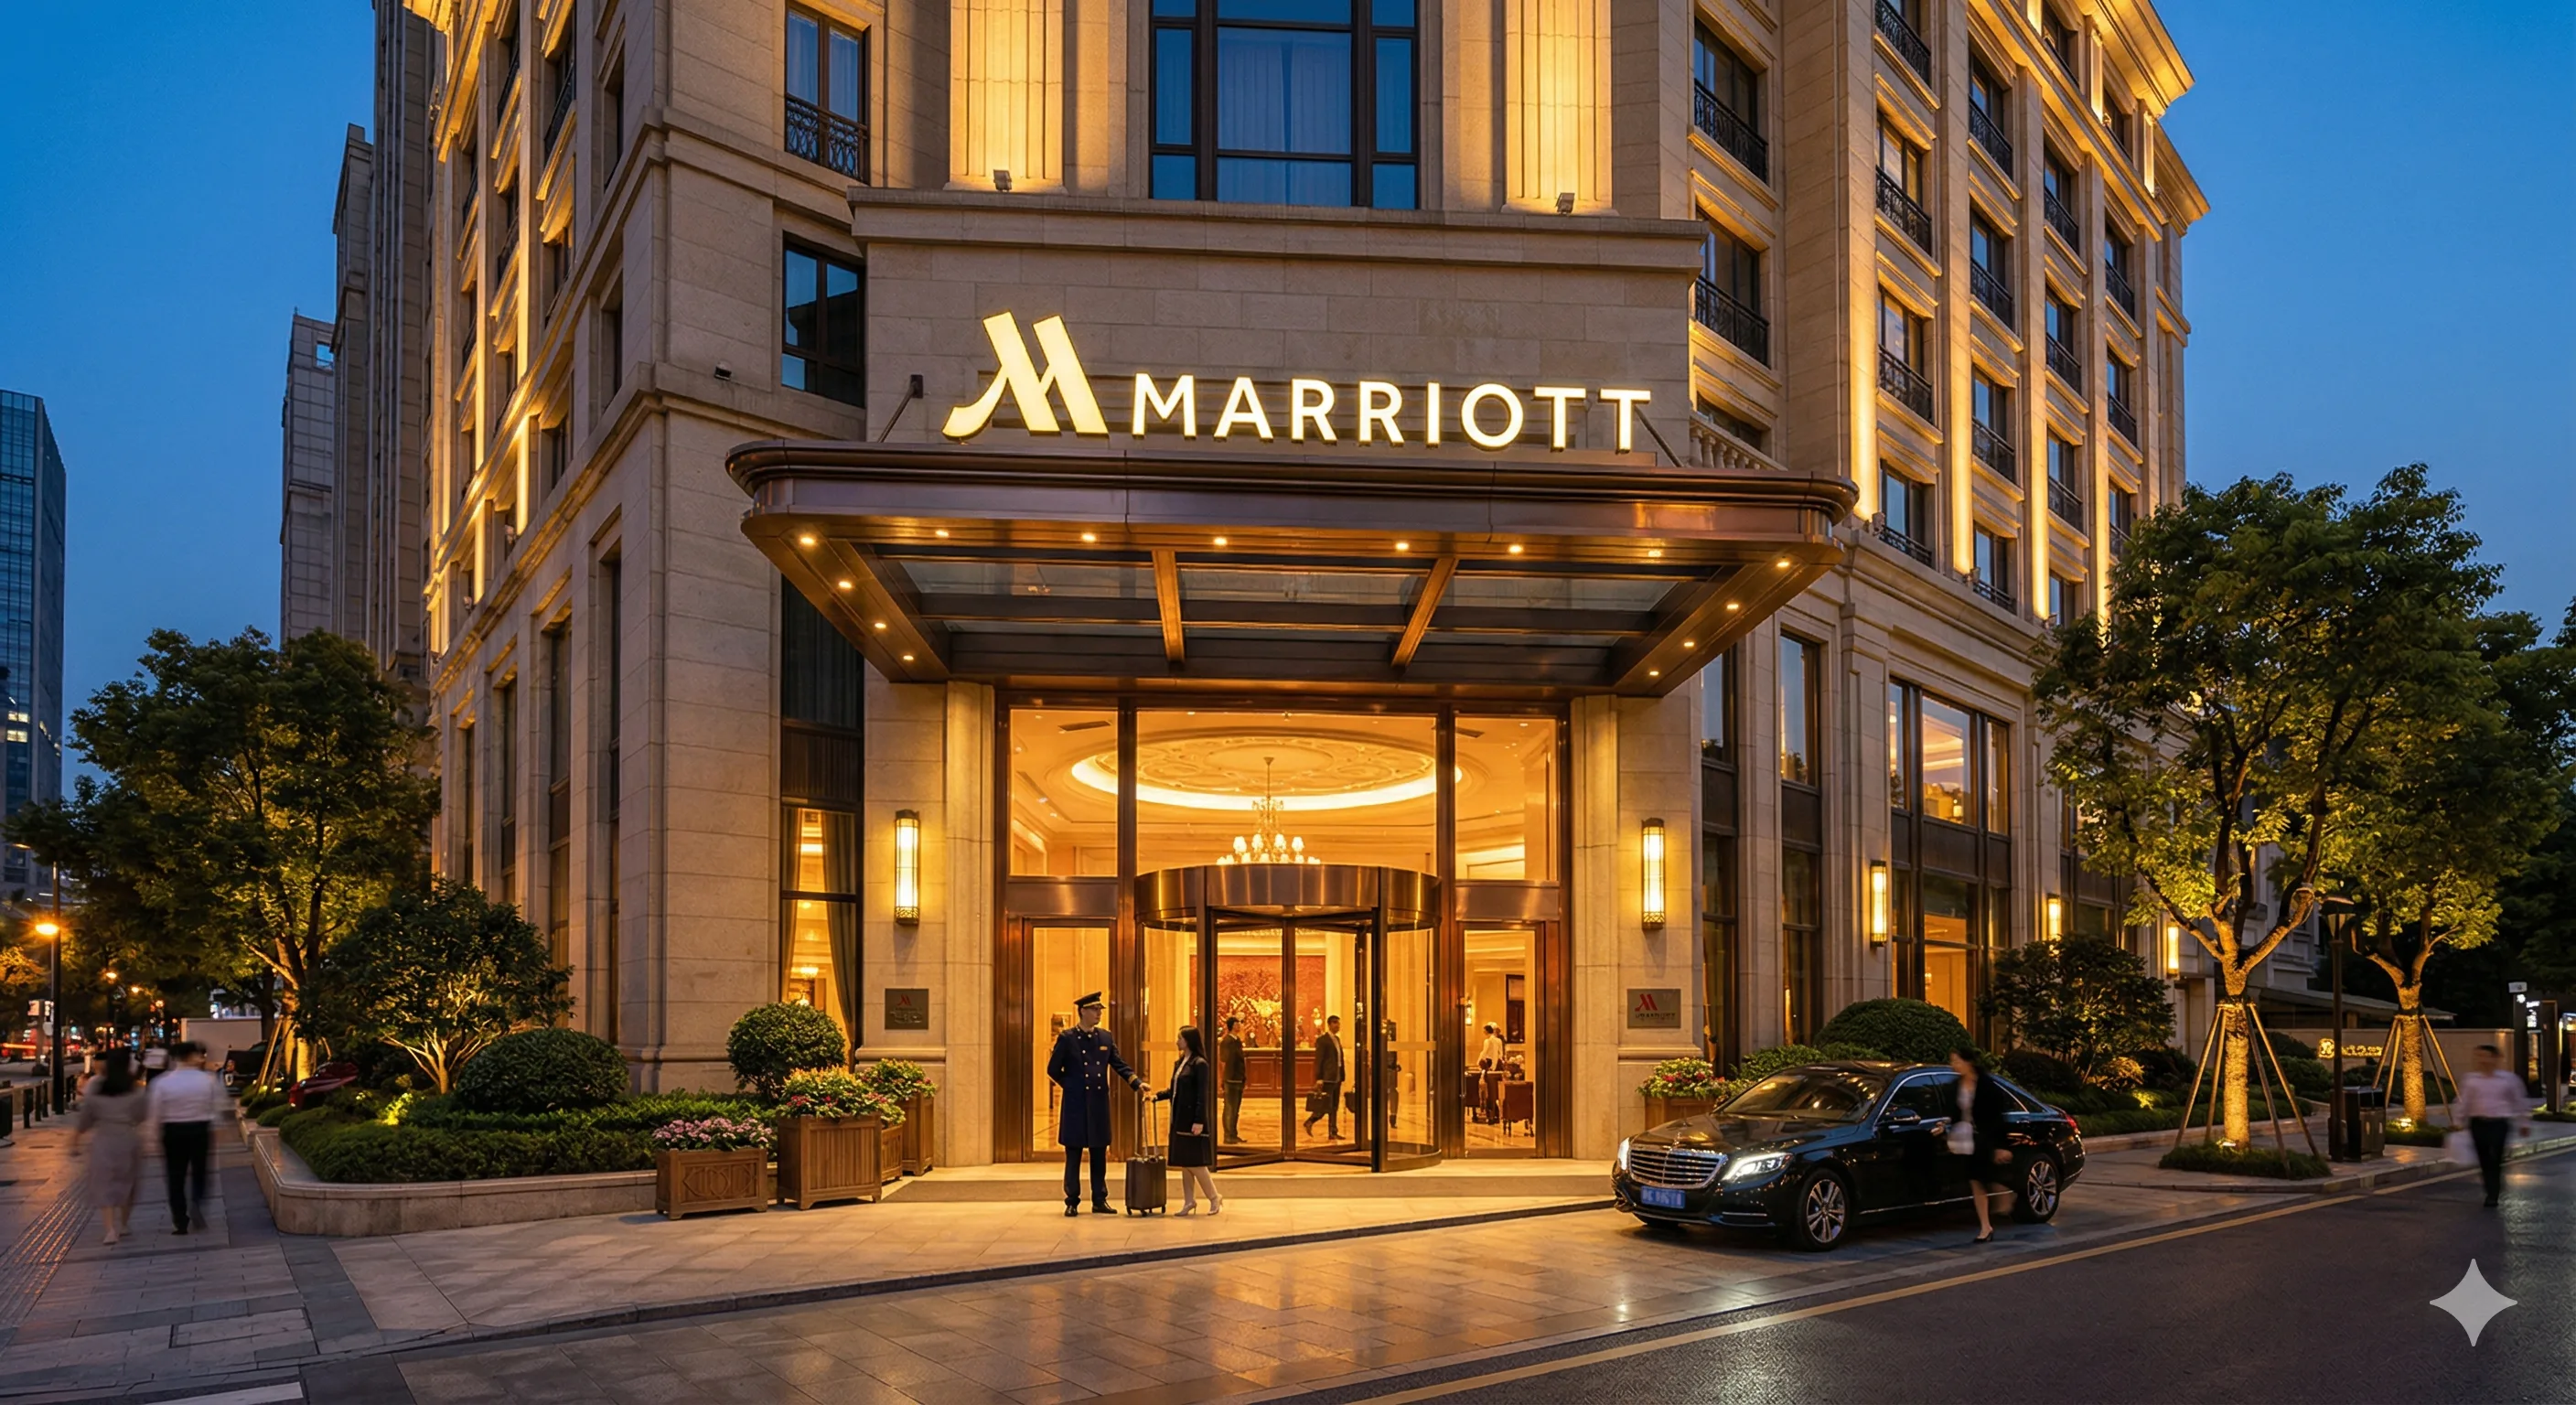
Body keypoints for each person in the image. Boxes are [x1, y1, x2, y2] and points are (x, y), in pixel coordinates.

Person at [1046, 992, 1146, 1217]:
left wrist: (1136, 1082)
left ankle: (1100, 1199)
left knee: (1099, 1152)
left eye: (1100, 1009)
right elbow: (1052, 1070)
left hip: (1098, 1104)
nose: (1099, 1013)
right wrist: (1070, 1086)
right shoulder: (1067, 1038)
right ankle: (1072, 1200)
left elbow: (1118, 1064)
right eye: (1094, 1009)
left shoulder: (1105, 1038)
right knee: (1073, 1154)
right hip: (1075, 1104)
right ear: (1082, 1011)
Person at [146, 1041, 225, 1235]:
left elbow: (155, 1113)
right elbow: (218, 1108)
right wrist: (217, 1129)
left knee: (175, 1177)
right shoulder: (208, 1080)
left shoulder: (162, 1082)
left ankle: (180, 1220)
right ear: (190, 1057)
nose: (201, 1058)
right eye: (198, 1055)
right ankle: (197, 1202)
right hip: (200, 1130)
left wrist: (153, 1136)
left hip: (172, 1131)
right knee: (200, 1172)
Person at [71, 1049, 147, 1245]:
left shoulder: (96, 1090)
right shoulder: (135, 1090)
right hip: (128, 1139)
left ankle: (109, 1230)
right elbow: (141, 1115)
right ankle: (123, 1223)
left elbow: (84, 1120)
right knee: (128, 1183)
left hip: (103, 1140)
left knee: (104, 1183)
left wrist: (74, 1142)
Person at [1154, 1025, 1223, 1215]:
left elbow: (1203, 1095)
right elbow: (1174, 1090)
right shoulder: (1180, 1063)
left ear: (1189, 1041)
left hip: (1193, 1119)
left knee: (1195, 1163)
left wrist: (1199, 1120)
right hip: (1179, 1118)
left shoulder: (1200, 1064)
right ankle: (1189, 1201)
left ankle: (1214, 1197)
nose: (1177, 1041)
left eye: (1180, 1038)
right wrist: (1157, 1096)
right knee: (1186, 1162)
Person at [1948, 1046, 2012, 1244]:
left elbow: (1997, 1116)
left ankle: (2005, 1194)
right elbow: (1955, 1112)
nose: (1954, 1065)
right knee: (1976, 1181)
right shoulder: (1956, 1084)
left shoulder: (1986, 1085)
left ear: (1968, 1062)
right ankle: (1985, 1226)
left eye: (1956, 1061)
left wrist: (2002, 1145)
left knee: (1985, 1177)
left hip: (1986, 1137)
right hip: (1968, 1140)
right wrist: (1946, 1124)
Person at [2458, 1044, 2531, 1208]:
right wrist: (2458, 1121)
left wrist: (2524, 1122)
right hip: (2477, 1123)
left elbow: (2519, 1101)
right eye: (2478, 1056)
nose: (2481, 1060)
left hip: (2499, 1123)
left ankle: (2493, 1193)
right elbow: (2464, 1102)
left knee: (2495, 1157)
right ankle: (2489, 1186)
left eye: (2485, 1056)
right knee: (2483, 1158)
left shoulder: (2509, 1079)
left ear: (2495, 1058)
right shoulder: (2471, 1080)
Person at [1304, 1014, 1346, 1141]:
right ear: (1329, 1024)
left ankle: (1333, 1132)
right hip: (1327, 1077)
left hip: (1337, 1076)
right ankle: (1310, 1121)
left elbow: (1339, 1059)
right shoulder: (1323, 1040)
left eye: (1338, 1023)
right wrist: (1319, 1077)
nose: (1337, 1026)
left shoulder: (1337, 1040)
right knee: (1325, 1105)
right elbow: (1319, 1060)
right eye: (1334, 1023)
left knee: (1334, 1106)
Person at [1217, 1016, 1246, 1145]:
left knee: (1236, 1108)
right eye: (1237, 1023)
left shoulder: (1237, 1040)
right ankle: (1228, 1135)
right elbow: (1223, 1061)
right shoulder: (1227, 1041)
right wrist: (1223, 1079)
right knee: (1230, 1108)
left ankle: (1234, 1134)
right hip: (1231, 1079)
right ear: (1232, 1026)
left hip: (1238, 1078)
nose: (1239, 1025)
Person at [1476, 1023, 1507, 1122]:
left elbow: (1484, 1053)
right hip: (1497, 1065)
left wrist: (1479, 1062)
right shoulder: (1498, 1040)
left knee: (1489, 1091)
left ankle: (1491, 1114)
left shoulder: (1487, 1041)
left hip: (1489, 1065)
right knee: (1496, 1092)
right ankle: (1497, 1114)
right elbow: (1500, 1054)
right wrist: (1497, 1064)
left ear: (1486, 1031)